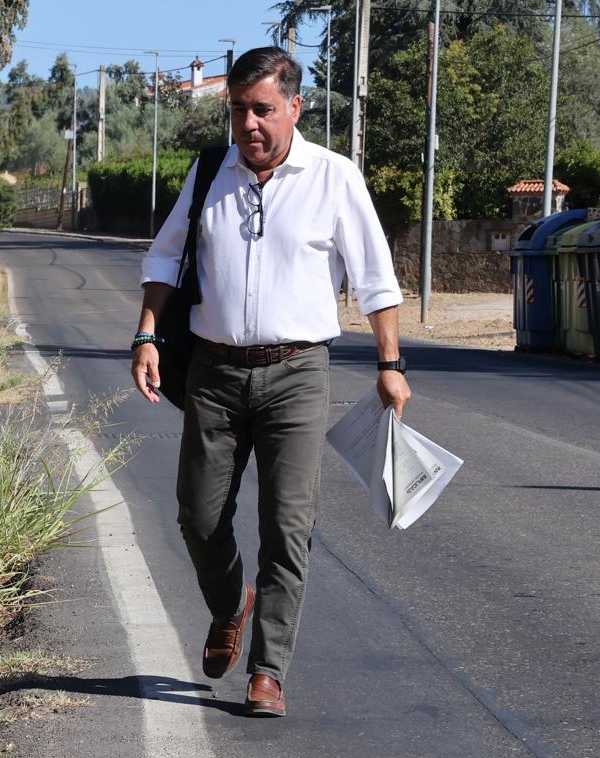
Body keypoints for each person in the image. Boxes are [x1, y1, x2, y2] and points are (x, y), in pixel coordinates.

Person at [129, 47, 411, 717]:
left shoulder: (334, 178)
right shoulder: (207, 173)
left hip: (298, 372)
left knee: (289, 525)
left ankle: (268, 671)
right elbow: (165, 256)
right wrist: (145, 333)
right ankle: (231, 604)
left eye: (261, 110)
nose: (248, 124)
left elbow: (375, 278)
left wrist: (391, 365)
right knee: (198, 517)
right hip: (214, 371)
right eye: (237, 111)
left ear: (293, 107)